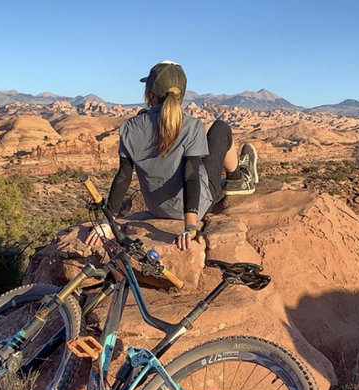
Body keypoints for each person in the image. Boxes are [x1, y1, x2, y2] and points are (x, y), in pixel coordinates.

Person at [89, 60, 258, 251]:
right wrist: (190, 226)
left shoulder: (130, 127)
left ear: (150, 94)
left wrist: (107, 221)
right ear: (182, 95)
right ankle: (238, 178)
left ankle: (233, 178)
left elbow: (123, 177)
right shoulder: (192, 125)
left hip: (157, 209)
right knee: (220, 129)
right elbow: (190, 177)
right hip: (197, 207)